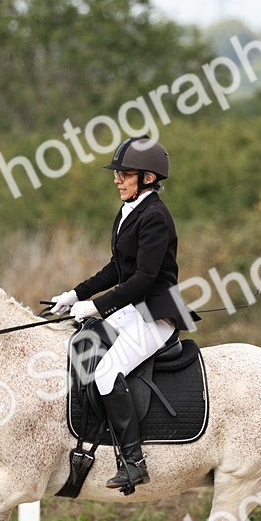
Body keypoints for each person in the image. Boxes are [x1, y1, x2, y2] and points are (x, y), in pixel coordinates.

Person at [49, 135, 196, 493]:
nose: (117, 179)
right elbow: (117, 269)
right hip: (132, 310)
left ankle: (133, 462)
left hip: (153, 315)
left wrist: (97, 306)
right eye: (117, 173)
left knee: (106, 371)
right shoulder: (129, 210)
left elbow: (144, 279)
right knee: (81, 340)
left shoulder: (156, 216)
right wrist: (75, 294)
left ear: (147, 178)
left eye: (124, 173)